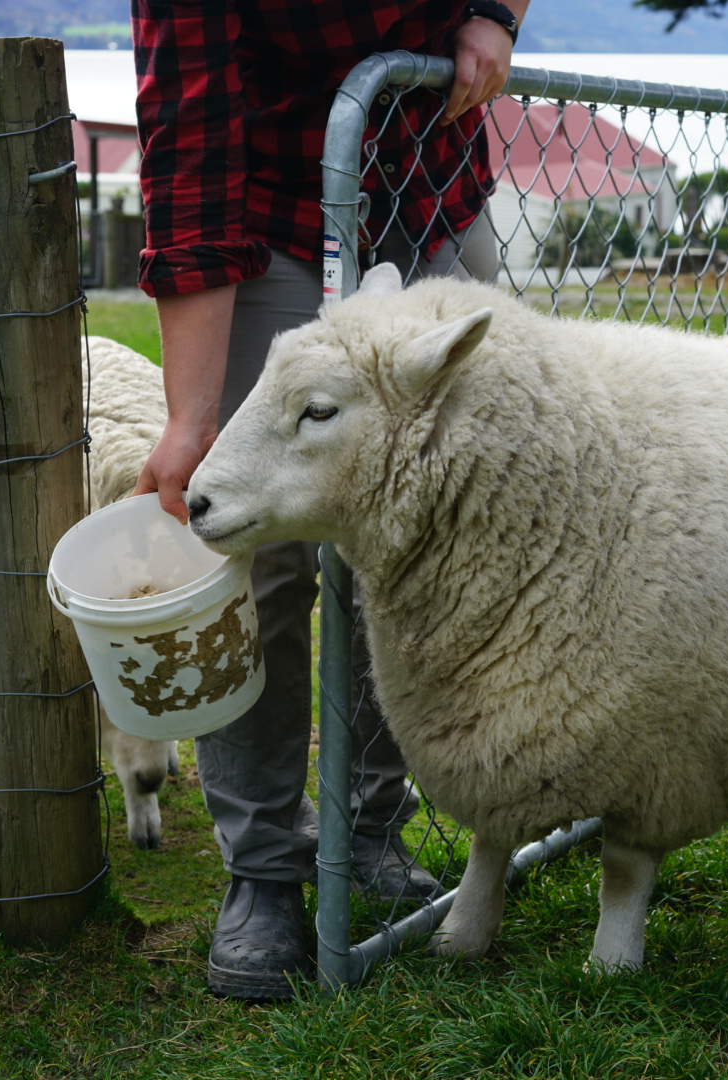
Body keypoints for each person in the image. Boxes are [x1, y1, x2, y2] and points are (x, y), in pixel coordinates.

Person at [130, 0, 528, 1001]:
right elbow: (193, 151)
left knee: (413, 531)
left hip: (427, 189)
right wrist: (190, 421)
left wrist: (491, 16)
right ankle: (262, 870)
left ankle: (369, 829)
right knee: (254, 546)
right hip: (271, 216)